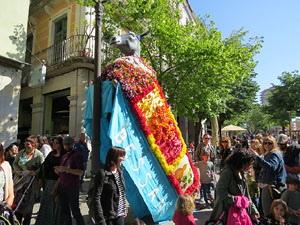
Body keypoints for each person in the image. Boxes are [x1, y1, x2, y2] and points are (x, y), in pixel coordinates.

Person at [209, 149, 259, 224]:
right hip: (226, 212)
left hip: (239, 213)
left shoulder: (242, 173)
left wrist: (253, 210)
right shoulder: (227, 172)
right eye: (249, 164)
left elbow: (246, 195)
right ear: (242, 163)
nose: (251, 167)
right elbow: (220, 190)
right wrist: (235, 200)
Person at [249, 135, 287, 217]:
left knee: (269, 211)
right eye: (265, 143)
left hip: (271, 186)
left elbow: (272, 167)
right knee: (268, 210)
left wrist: (257, 157)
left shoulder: (274, 154)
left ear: (274, 144)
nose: (266, 145)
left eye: (269, 143)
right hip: (267, 184)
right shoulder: (268, 153)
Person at [13, 135, 44, 225]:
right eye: (26, 143)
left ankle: (26, 222)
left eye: (29, 143)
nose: (27, 144)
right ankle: (17, 222)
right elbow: (15, 163)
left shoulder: (38, 155)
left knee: (28, 207)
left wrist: (35, 172)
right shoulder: (21, 152)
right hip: (19, 181)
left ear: (34, 145)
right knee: (18, 204)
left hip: (31, 183)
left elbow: (42, 167)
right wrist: (18, 170)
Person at [54, 136, 85, 225]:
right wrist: (58, 170)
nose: (66, 146)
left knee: (75, 211)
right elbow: (62, 172)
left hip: (72, 186)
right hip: (62, 185)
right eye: (65, 144)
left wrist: (66, 170)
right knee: (65, 211)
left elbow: (80, 172)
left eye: (68, 144)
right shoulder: (64, 156)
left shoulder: (76, 156)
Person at [35, 136, 65, 225]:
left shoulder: (65, 155)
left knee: (57, 204)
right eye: (53, 143)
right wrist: (40, 177)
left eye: (57, 143)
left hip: (59, 182)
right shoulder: (51, 154)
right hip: (48, 182)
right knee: (46, 204)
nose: (54, 145)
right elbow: (44, 166)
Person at [93, 146, 127, 225]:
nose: (123, 159)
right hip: (108, 217)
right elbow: (96, 198)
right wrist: (101, 220)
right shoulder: (102, 174)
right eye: (121, 156)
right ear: (114, 157)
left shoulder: (120, 171)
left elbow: (121, 192)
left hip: (120, 214)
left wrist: (124, 209)